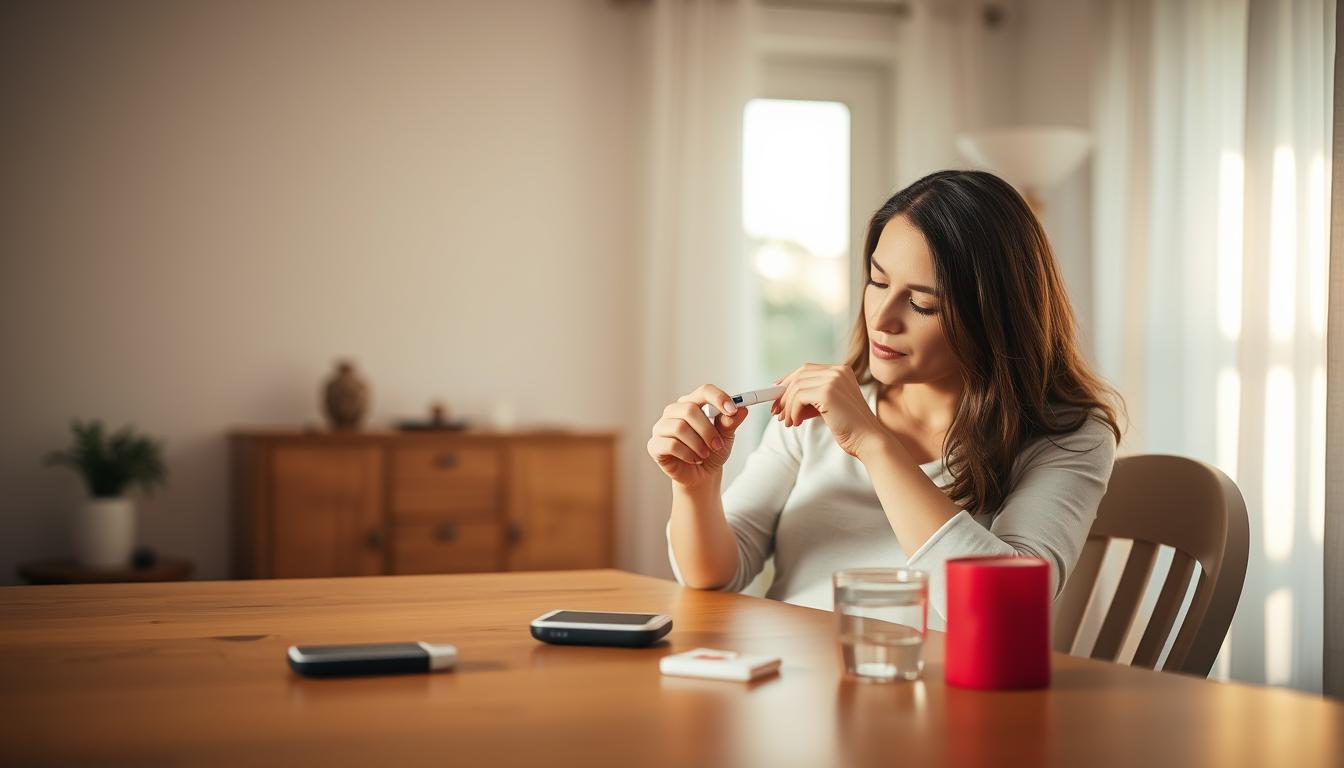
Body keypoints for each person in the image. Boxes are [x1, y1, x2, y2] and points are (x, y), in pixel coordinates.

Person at [646, 169, 1124, 628]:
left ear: (995, 316)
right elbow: (712, 576)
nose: (883, 317)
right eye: (878, 281)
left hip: (942, 702)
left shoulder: (1068, 435)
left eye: (922, 303)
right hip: (796, 684)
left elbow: (1004, 612)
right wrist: (696, 487)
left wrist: (873, 444)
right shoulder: (812, 416)